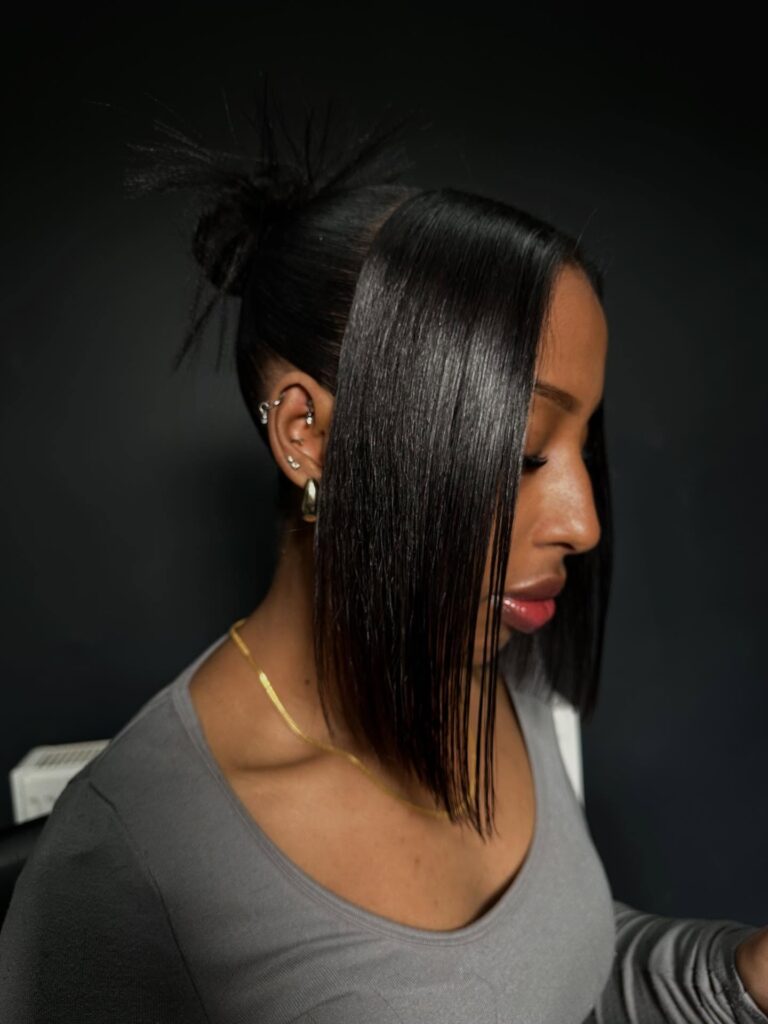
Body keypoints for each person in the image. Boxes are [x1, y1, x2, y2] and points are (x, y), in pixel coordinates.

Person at [1, 85, 766, 1023]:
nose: (584, 520)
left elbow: (563, 975)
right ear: (307, 434)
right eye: (526, 451)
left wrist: (749, 975)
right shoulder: (120, 873)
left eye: (585, 447)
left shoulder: (497, 670)